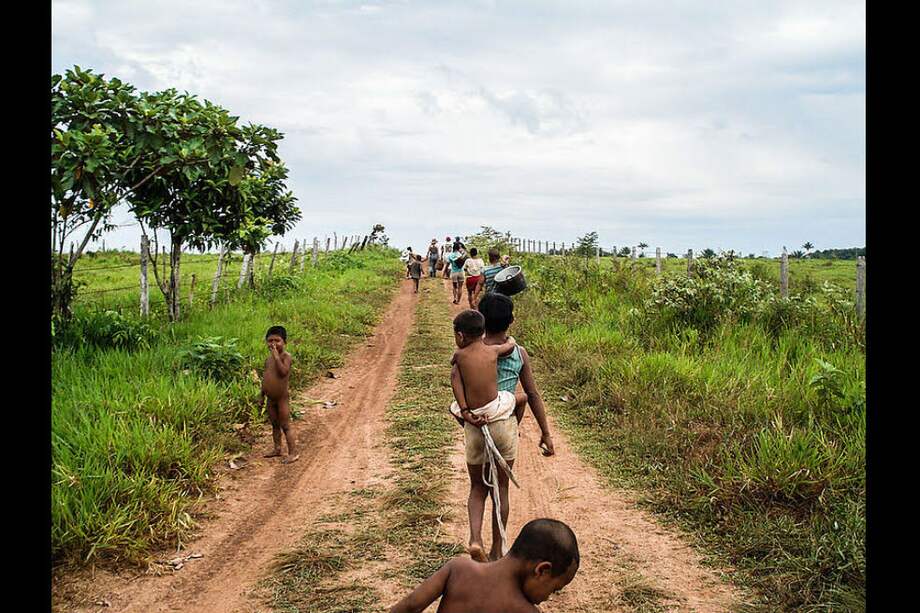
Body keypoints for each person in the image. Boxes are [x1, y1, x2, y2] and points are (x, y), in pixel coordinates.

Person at [387, 518, 579, 613]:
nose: (547, 598)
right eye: (554, 589)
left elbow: (410, 606)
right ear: (542, 570)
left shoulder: (459, 568)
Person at [449, 310, 519, 562]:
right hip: (496, 417)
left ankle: (475, 539)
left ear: (460, 335)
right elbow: (509, 347)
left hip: (474, 421)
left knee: (477, 487)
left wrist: (466, 412)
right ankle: (497, 549)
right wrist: (510, 342)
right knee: (501, 487)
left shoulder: (458, 355)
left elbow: (455, 378)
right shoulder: (492, 352)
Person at [477, 292, 555, 457]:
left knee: (478, 483)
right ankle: (514, 428)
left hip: (477, 425)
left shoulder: (473, 352)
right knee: (503, 483)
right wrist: (545, 433)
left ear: (481, 320)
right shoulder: (519, 353)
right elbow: (532, 394)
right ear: (511, 320)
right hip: (505, 425)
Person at [260, 326, 299, 464]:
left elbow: (283, 372)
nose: (273, 344)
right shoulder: (268, 360)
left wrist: (277, 357)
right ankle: (277, 448)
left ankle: (293, 452)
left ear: (285, 342)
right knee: (274, 425)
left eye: (278, 340)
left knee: (285, 425)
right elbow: (265, 377)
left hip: (282, 398)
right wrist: (261, 395)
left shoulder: (285, 357)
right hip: (270, 399)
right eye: (270, 341)